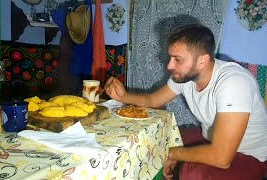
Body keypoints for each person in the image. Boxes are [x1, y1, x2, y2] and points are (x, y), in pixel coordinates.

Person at [104, 24, 267, 179]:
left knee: (191, 173)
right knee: (157, 142)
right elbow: (153, 99)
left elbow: (222, 157)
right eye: (170, 57)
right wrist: (123, 96)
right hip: (210, 139)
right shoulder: (185, 77)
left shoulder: (233, 83)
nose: (169, 65)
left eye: (178, 59)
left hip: (250, 155)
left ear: (202, 60)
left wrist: (174, 153)